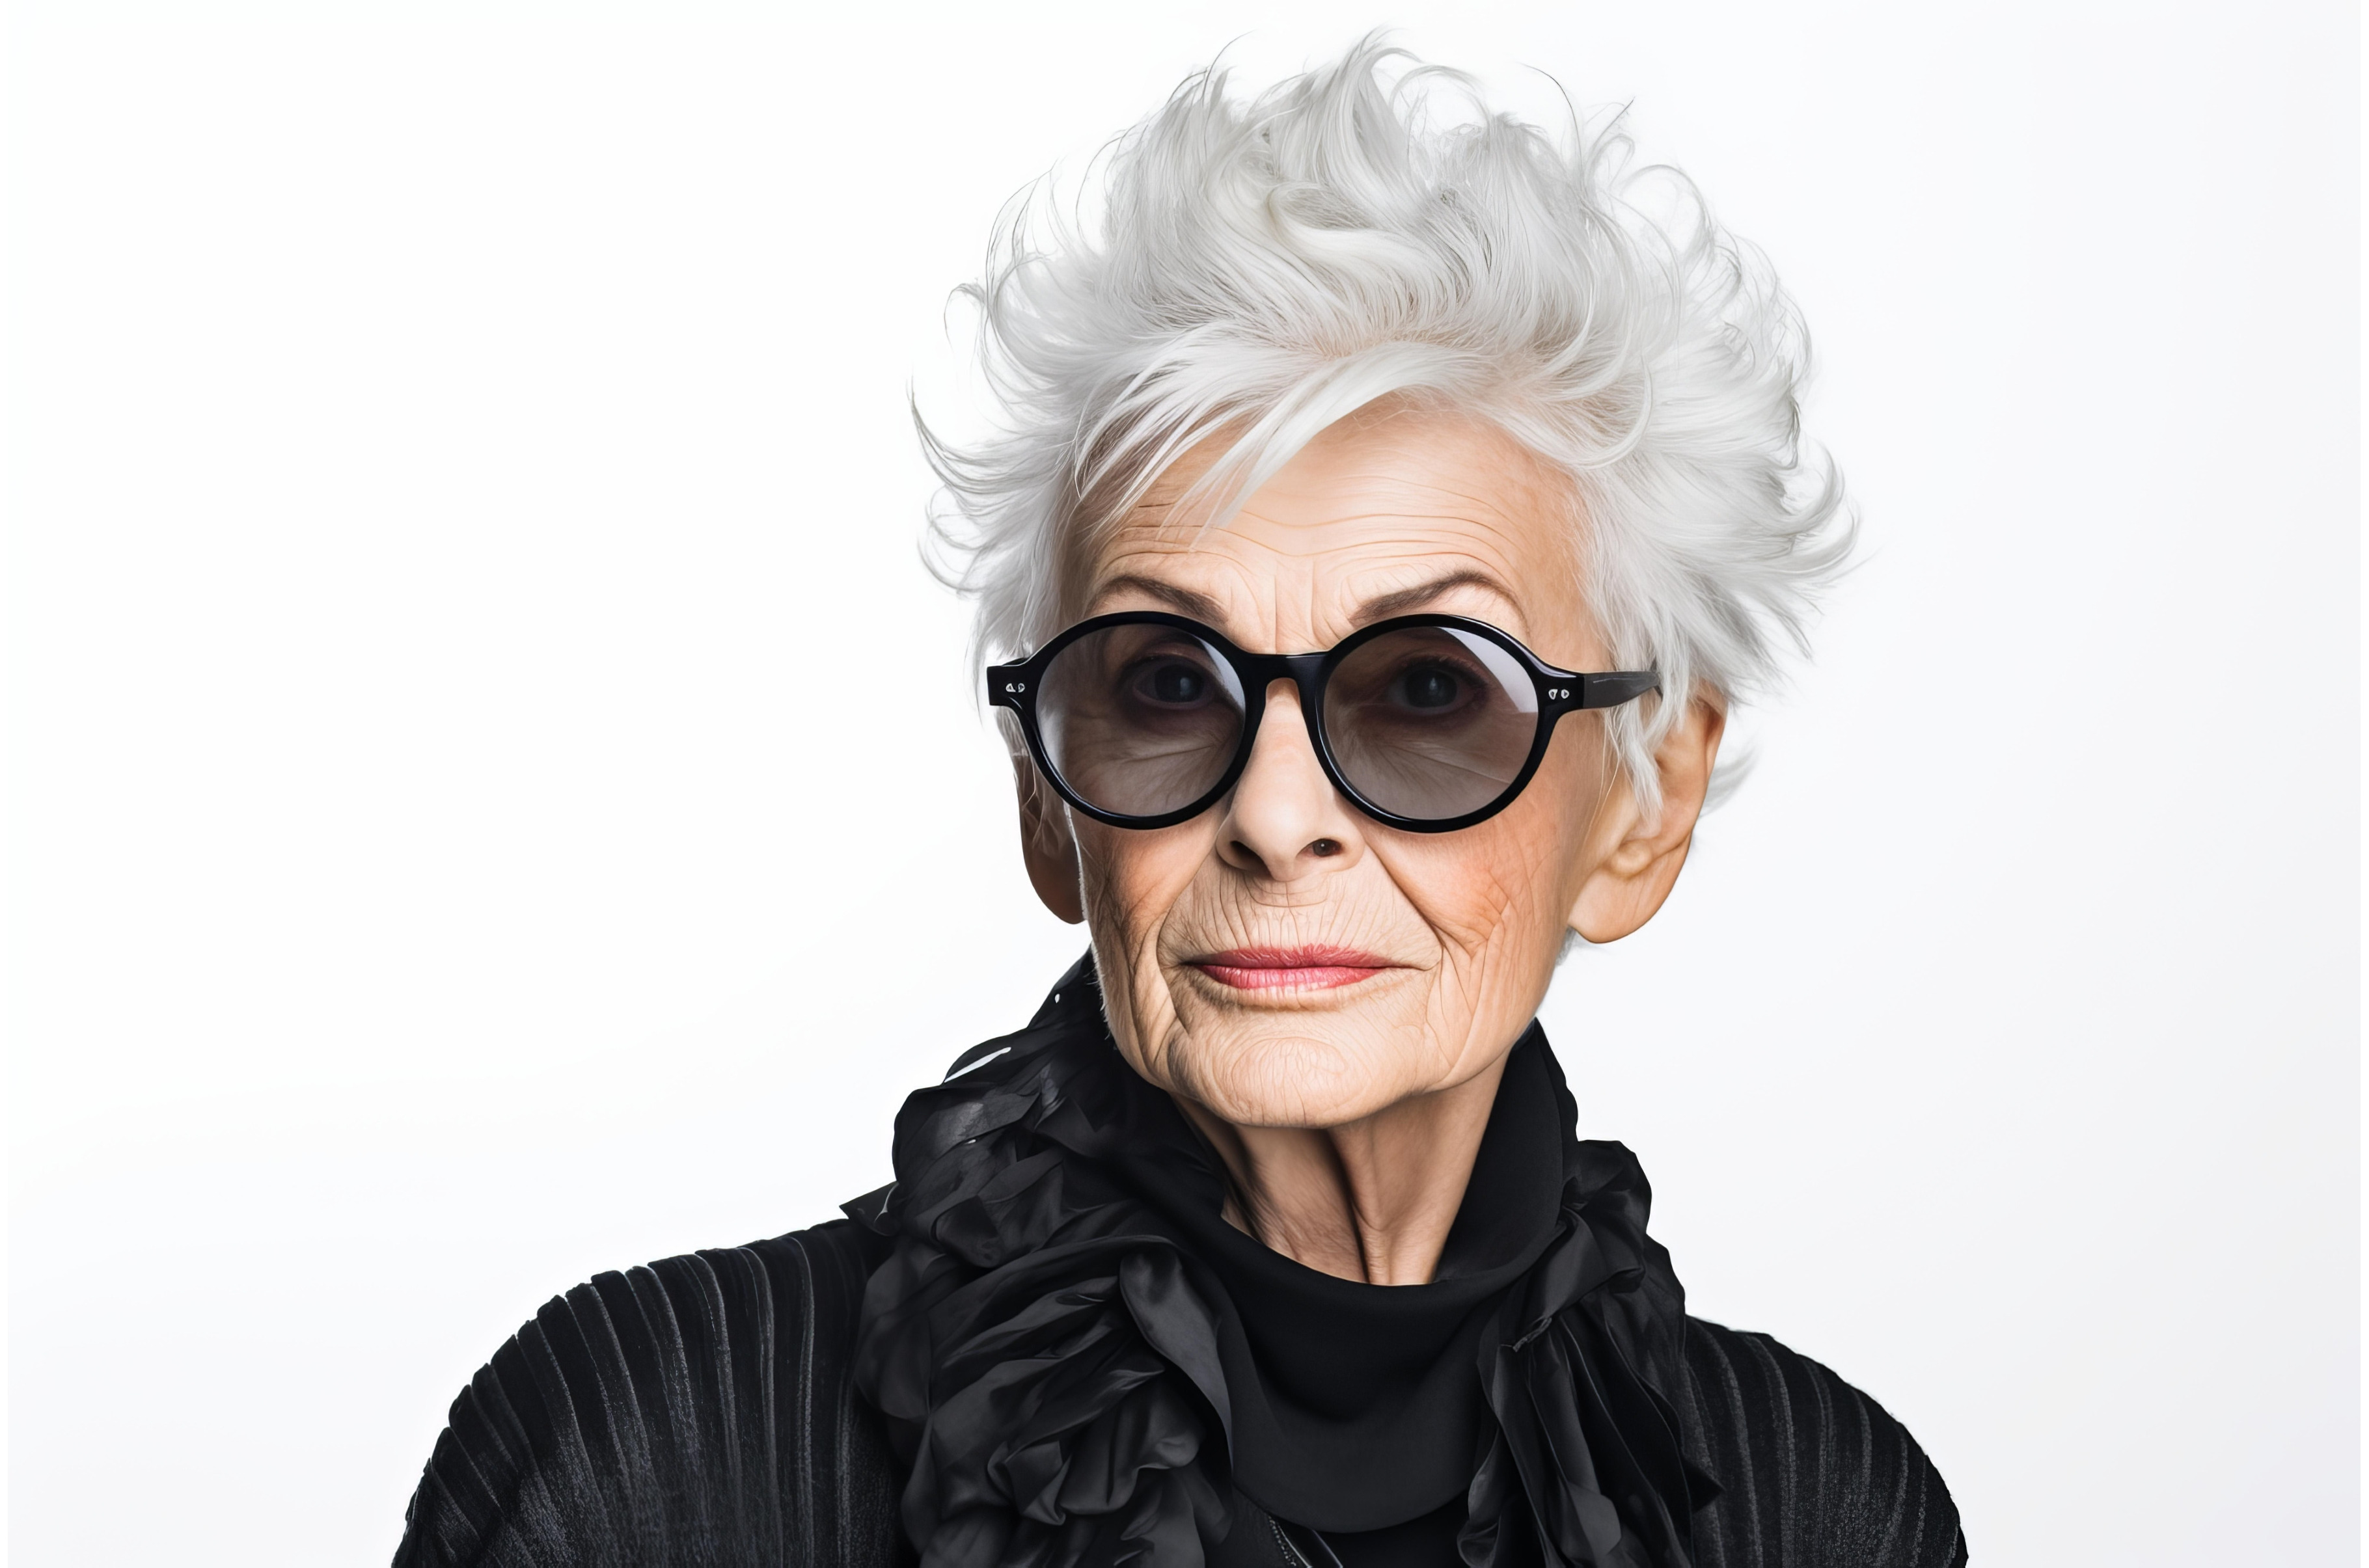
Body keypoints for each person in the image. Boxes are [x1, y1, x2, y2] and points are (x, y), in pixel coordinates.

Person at [394, 39, 1965, 1568]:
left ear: (1644, 803)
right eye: (1163, 682)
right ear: (1043, 795)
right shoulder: (648, 1457)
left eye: (1428, 687)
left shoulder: (1814, 1511)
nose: (1274, 815)